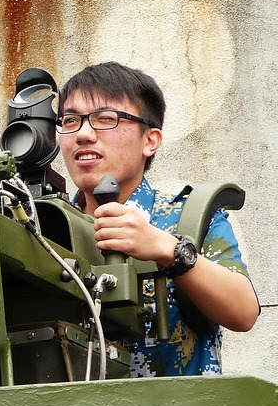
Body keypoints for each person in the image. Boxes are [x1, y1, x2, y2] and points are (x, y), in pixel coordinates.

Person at [55, 62, 259, 376]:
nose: (83, 134)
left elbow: (243, 312)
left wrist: (169, 250)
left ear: (150, 140)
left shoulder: (187, 216)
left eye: (105, 119)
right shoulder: (46, 227)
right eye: (70, 120)